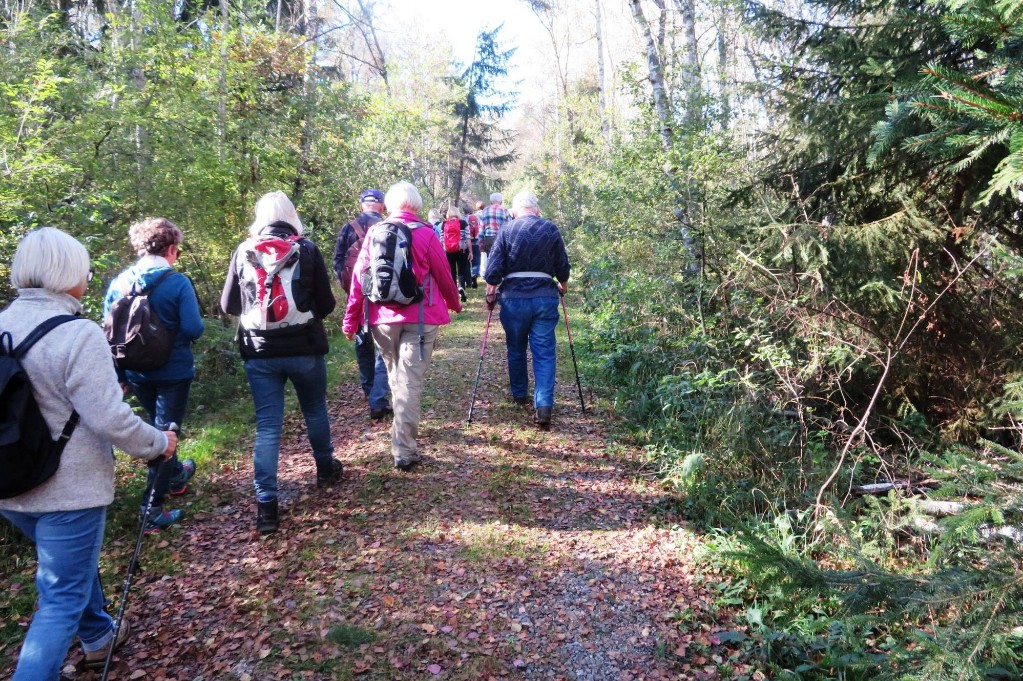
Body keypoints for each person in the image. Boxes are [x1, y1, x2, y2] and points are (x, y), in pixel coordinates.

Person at [0, 227, 176, 677]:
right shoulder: (76, 333)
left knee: (70, 569)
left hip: (9, 482)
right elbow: (110, 419)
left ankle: (98, 636)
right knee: (59, 600)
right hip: (68, 488)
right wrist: (159, 444)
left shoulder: (2, 325)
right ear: (67, 276)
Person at [220, 191, 340, 535]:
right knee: (315, 409)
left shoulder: (245, 250)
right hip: (304, 348)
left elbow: (229, 304)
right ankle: (325, 469)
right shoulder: (307, 249)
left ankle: (267, 504)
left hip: (259, 352)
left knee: (268, 425)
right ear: (291, 216)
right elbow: (328, 304)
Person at [342, 181, 462, 470]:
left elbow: (360, 280)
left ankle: (402, 440)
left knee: (397, 377)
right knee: (408, 382)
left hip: (382, 319)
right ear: (417, 205)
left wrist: (351, 320)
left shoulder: (374, 233)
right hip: (420, 319)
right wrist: (454, 303)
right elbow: (444, 274)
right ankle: (404, 450)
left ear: (390, 205)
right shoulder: (426, 233)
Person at [103, 217, 204, 533]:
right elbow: (194, 328)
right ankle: (152, 509)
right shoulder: (177, 283)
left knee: (160, 426)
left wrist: (120, 372)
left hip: (136, 372)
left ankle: (173, 477)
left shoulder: (119, 283)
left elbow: (110, 332)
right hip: (173, 371)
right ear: (172, 248)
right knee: (165, 434)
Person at [484, 190, 571, 429]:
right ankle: (543, 405)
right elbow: (562, 265)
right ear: (537, 209)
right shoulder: (550, 229)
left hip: (514, 299)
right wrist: (563, 285)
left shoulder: (506, 230)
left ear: (514, 211)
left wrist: (490, 294)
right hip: (544, 297)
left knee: (516, 347)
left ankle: (520, 393)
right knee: (544, 351)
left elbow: (493, 270)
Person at [332, 189, 392, 421]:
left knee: (362, 343)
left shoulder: (348, 228)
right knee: (382, 348)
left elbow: (338, 261)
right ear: (382, 205)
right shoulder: (388, 226)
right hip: (384, 296)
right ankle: (378, 398)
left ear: (361, 206)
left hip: (356, 295)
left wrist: (348, 289)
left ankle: (369, 391)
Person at [442, 204, 472, 303]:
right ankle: (462, 288)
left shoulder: (444, 224)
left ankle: (455, 292)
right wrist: (470, 251)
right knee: (462, 271)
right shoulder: (463, 223)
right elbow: (468, 238)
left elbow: (441, 240)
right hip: (462, 250)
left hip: (448, 251)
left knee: (452, 272)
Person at [478, 192, 512, 277]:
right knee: (502, 258)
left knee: (491, 259)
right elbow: (510, 227)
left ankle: (492, 278)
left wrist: (481, 243)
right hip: (502, 238)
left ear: (491, 201)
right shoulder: (505, 210)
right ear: (501, 201)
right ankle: (502, 278)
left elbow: (481, 229)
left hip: (489, 238)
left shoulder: (485, 211)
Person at [467, 201, 483, 288]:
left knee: (467, 260)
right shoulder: (478, 217)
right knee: (476, 259)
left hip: (467, 241)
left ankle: (468, 277)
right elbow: (481, 227)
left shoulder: (464, 218)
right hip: (477, 240)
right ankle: (475, 274)